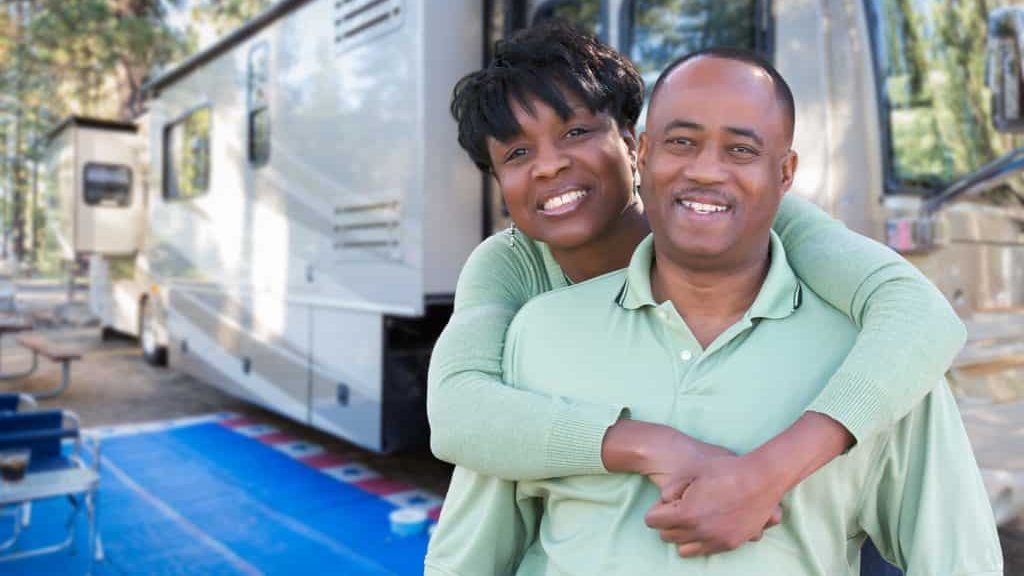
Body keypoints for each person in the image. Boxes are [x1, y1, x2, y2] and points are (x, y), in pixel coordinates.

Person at [428, 47, 1002, 576]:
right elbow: (460, 415)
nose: (550, 166)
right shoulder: (523, 301)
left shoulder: (767, 226)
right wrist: (651, 444)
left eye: (576, 132)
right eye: (518, 153)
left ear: (631, 145)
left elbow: (918, 313)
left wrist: (764, 475)